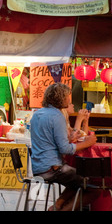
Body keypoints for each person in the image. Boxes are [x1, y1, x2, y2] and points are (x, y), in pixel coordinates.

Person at [30, 83, 99, 211]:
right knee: (94, 187)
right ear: (61, 98)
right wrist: (87, 143)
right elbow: (65, 149)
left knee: (77, 180)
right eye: (68, 96)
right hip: (52, 169)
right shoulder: (57, 116)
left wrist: (69, 139)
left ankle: (56, 206)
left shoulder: (37, 114)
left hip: (37, 167)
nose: (69, 99)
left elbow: (48, 140)